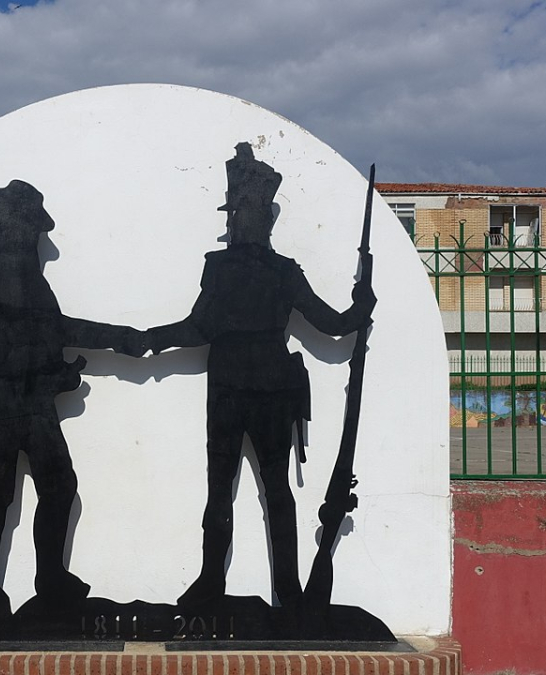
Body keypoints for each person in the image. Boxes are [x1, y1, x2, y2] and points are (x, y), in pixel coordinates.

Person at [146, 143, 376, 610]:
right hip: (259, 392)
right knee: (266, 493)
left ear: (242, 218)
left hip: (239, 393)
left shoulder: (229, 268)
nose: (235, 223)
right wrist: (361, 306)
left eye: (236, 214)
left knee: (235, 492)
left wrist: (148, 338)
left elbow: (199, 328)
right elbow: (334, 325)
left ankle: (241, 586)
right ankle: (272, 591)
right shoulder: (276, 271)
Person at [0, 180, 144, 614]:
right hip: (3, 401)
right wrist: (117, 339)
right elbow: (35, 335)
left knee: (51, 488)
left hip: (25, 400)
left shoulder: (13, 268)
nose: (38, 237)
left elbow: (38, 333)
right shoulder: (6, 267)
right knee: (6, 496)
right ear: (19, 224)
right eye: (34, 228)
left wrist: (56, 371)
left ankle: (43, 579)